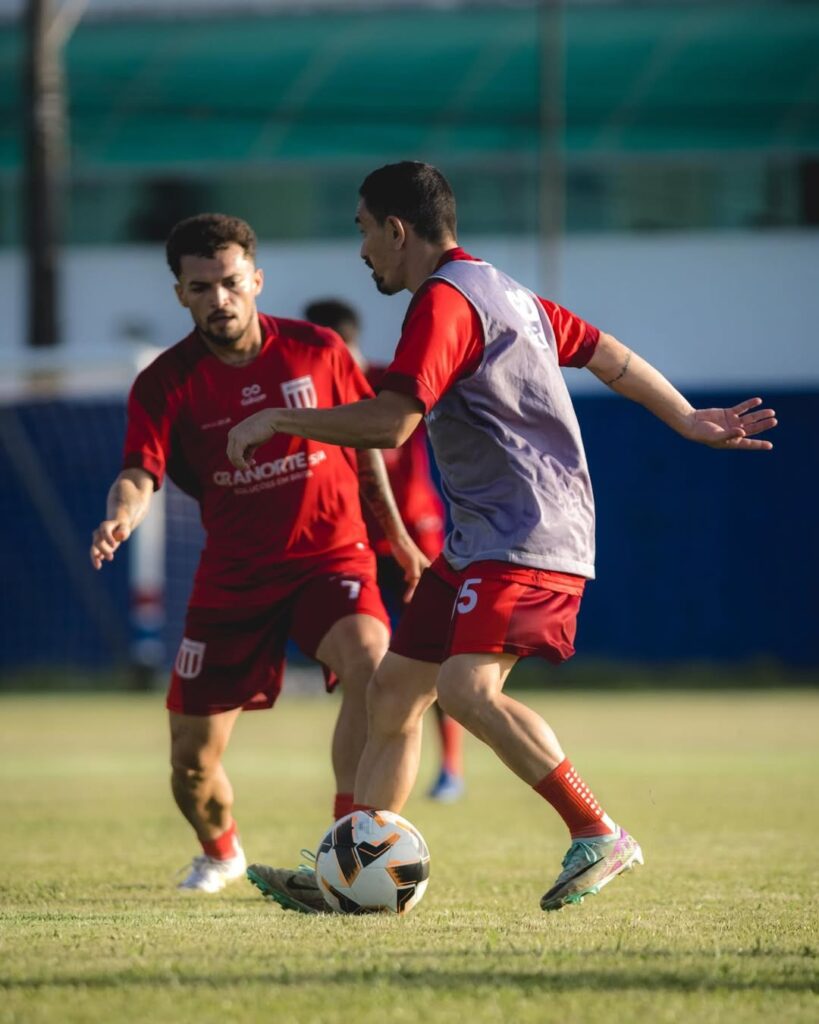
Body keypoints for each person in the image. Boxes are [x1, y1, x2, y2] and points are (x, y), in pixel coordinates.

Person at [226, 162, 778, 914]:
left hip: (527, 532)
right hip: (481, 536)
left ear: (397, 229)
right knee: (394, 692)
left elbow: (391, 424)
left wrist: (278, 419)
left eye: (362, 230)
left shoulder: (443, 303)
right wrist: (683, 417)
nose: (360, 251)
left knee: (464, 689)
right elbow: (608, 355)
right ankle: (349, 872)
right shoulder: (503, 290)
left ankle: (598, 829)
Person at [90, 213, 427, 894]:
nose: (220, 297)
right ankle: (220, 852)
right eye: (201, 286)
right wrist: (120, 515)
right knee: (190, 760)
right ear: (181, 294)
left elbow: (367, 448)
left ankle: (348, 845)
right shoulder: (163, 383)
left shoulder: (318, 349)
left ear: (256, 279)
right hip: (235, 578)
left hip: (332, 556)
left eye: (231, 281)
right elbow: (139, 472)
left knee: (370, 659)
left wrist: (396, 536)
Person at [303, 298, 465, 802]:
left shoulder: (388, 380)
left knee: (435, 654)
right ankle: (362, 787)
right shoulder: (308, 395)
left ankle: (451, 769)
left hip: (415, 532)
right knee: (366, 660)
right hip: (352, 539)